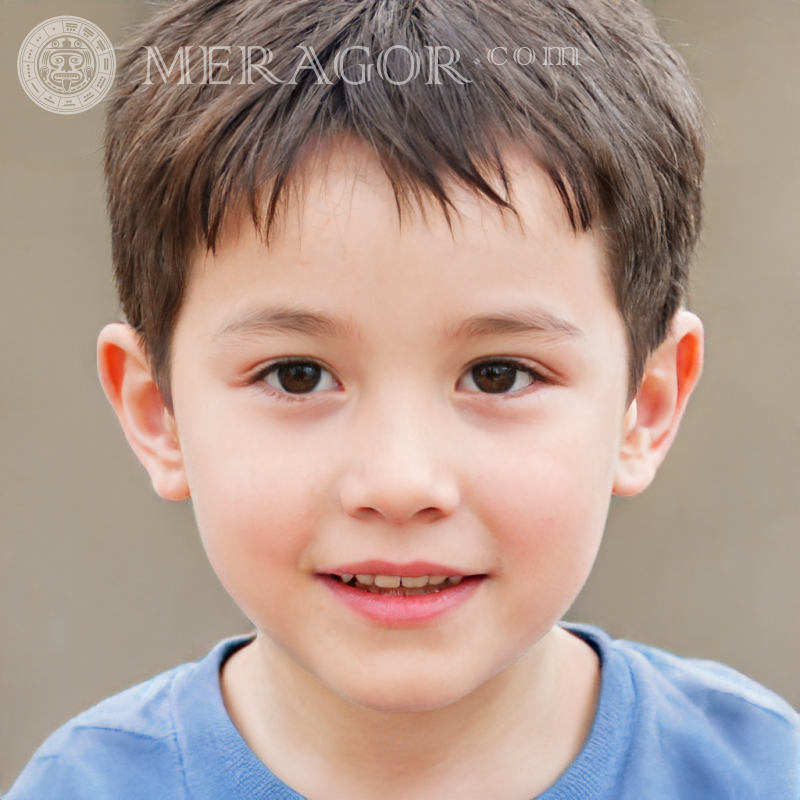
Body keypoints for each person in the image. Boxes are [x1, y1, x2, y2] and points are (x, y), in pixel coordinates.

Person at [7, 0, 799, 797]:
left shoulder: (763, 774)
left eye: (499, 374)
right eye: (297, 375)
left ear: (646, 404)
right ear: (159, 413)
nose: (399, 483)